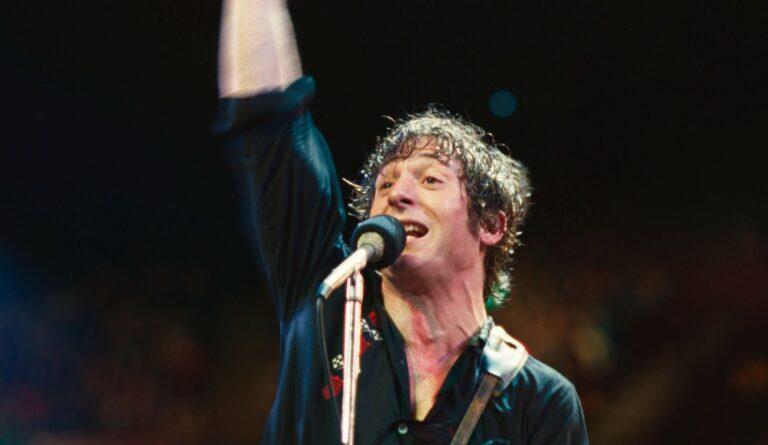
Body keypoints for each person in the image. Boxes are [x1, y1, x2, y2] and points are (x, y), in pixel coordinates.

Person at [216, 0, 589, 443]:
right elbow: (269, 124)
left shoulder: (541, 402)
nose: (397, 194)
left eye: (430, 179)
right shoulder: (327, 302)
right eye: (386, 183)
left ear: (491, 225)